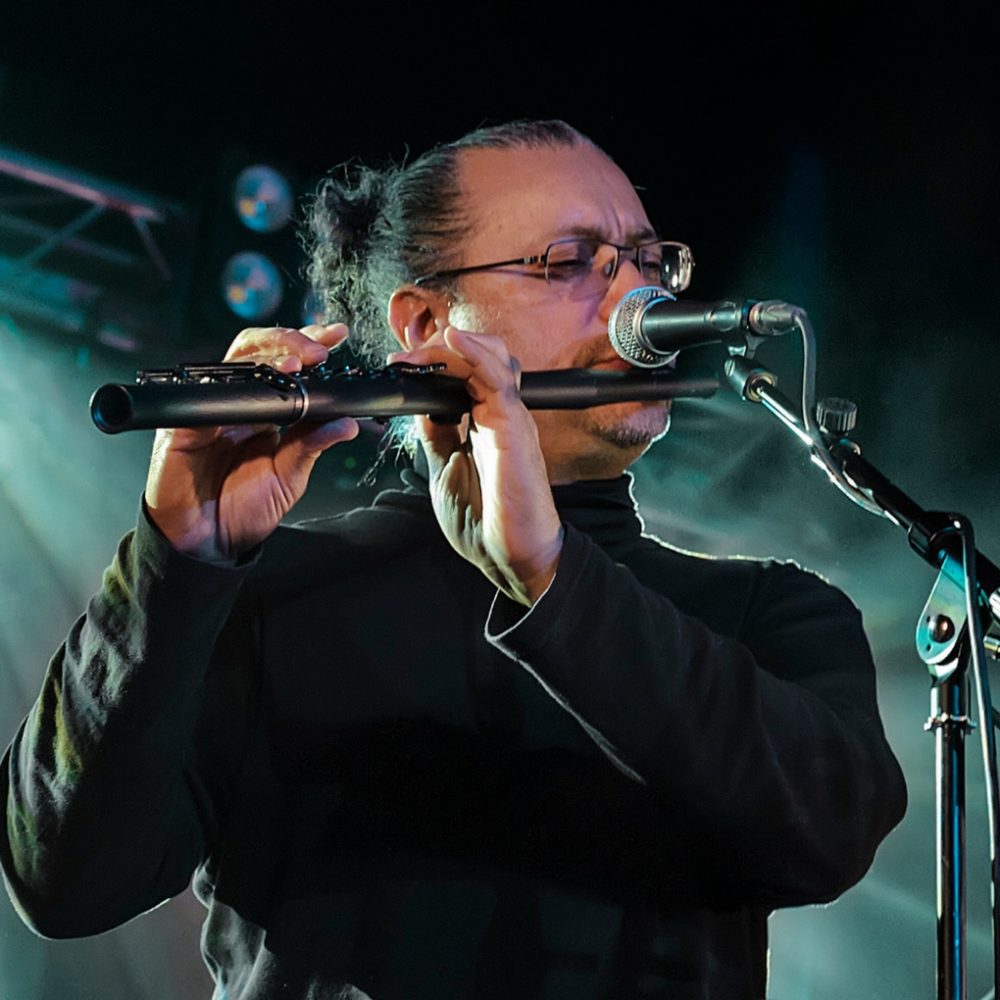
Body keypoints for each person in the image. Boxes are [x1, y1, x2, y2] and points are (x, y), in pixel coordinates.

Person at [0, 119, 906, 1000]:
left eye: (646, 258)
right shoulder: (274, 596)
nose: (640, 299)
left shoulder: (766, 612)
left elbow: (828, 831)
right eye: (570, 261)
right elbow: (66, 881)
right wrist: (176, 562)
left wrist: (551, 576)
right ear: (428, 321)